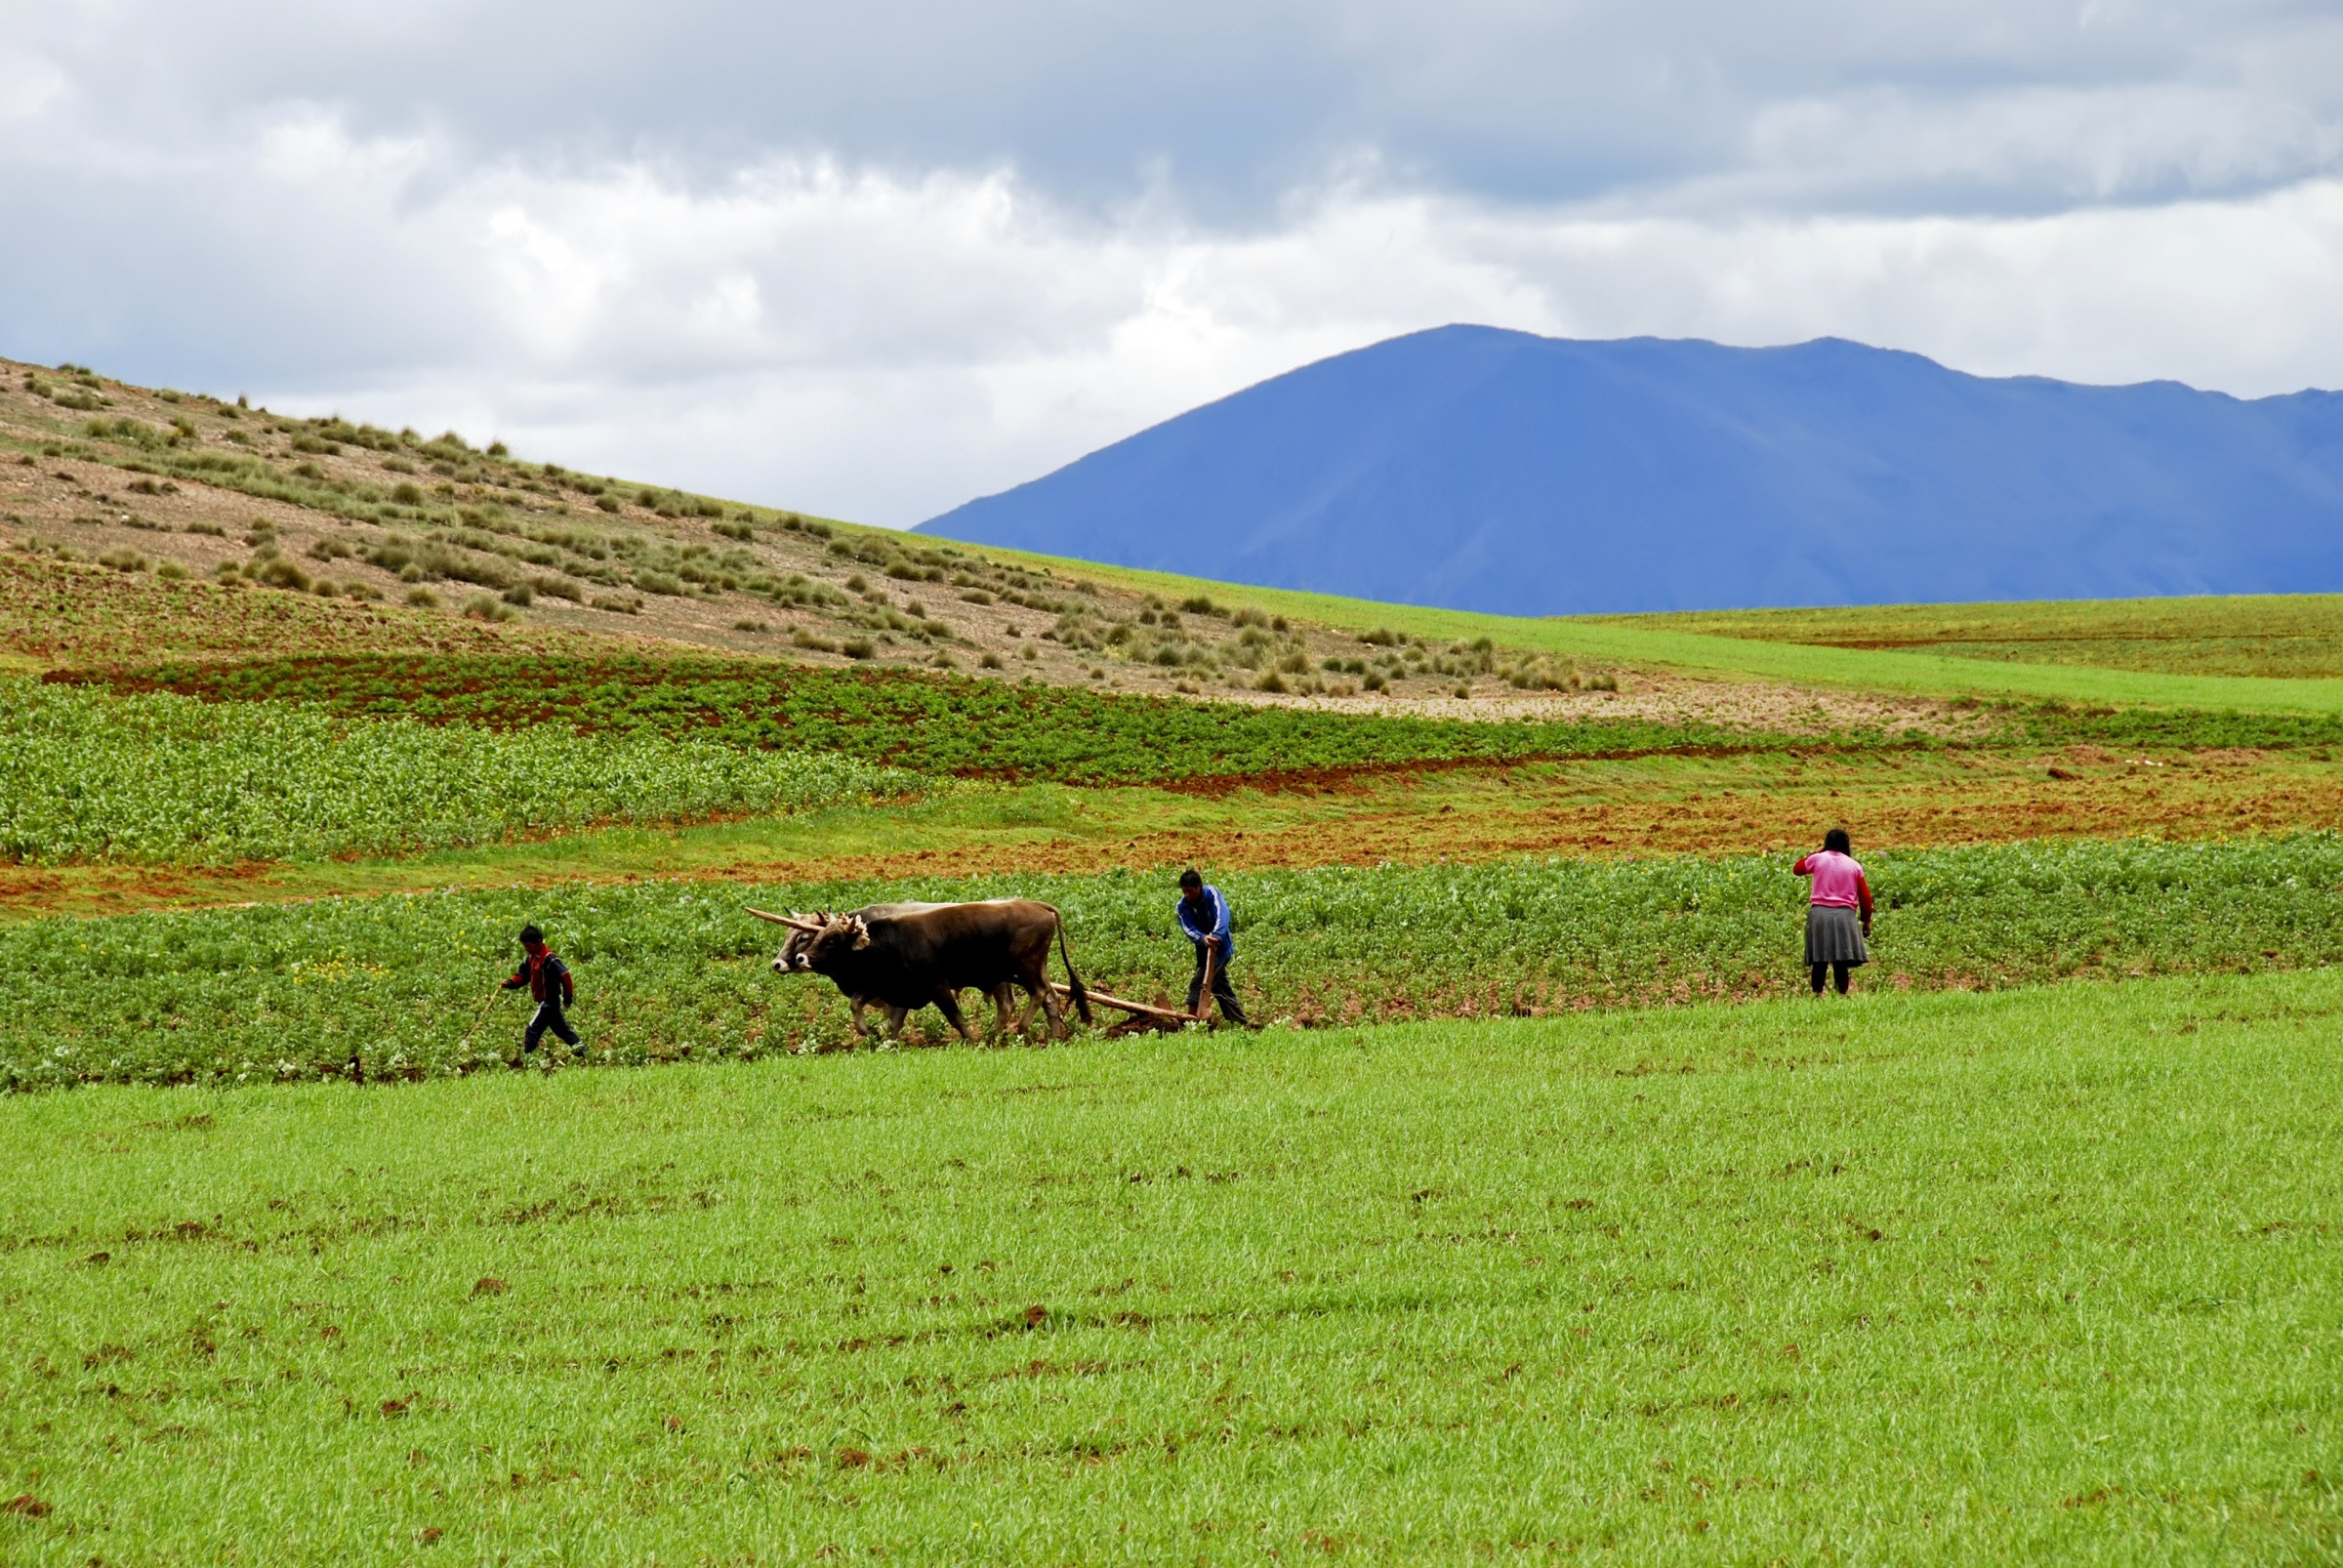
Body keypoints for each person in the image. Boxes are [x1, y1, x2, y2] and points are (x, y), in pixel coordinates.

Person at [1792, 829, 1872, 996]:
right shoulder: (1854, 865)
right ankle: (1841, 995)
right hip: (1845, 916)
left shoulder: (1818, 859)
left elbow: (1797, 869)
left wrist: (1820, 852)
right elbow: (1865, 897)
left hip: (1819, 914)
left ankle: (1816, 994)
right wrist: (1867, 920)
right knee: (1841, 961)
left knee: (1819, 960)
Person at [1175, 869, 1248, 1026]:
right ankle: (1240, 1023)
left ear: (1199, 886)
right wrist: (1203, 938)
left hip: (1220, 949)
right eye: (1184, 891)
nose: (1187, 895)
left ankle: (1191, 1023)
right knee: (1221, 988)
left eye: (1191, 891)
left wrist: (1216, 935)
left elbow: (1223, 914)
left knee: (1198, 984)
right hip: (1203, 951)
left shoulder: (1212, 894)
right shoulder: (1182, 907)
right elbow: (1188, 929)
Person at [502, 924, 580, 1055]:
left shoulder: (549, 958)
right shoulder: (531, 958)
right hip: (545, 1002)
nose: (527, 949)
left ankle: (527, 1058)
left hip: (548, 1001)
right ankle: (583, 1053)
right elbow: (522, 975)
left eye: (529, 946)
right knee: (562, 1031)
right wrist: (511, 983)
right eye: (525, 946)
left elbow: (565, 976)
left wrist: (568, 996)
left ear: (538, 942)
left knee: (532, 1029)